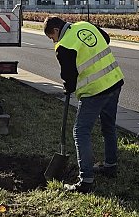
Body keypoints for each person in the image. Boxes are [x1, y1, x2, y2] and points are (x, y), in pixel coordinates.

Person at [43, 16, 124, 193]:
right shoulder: (85, 25)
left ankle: (85, 180)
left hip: (95, 91)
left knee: (80, 132)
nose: (53, 41)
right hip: (114, 81)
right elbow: (106, 39)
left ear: (56, 31)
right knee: (108, 127)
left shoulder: (64, 46)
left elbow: (69, 77)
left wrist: (68, 87)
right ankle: (110, 166)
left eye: (51, 37)